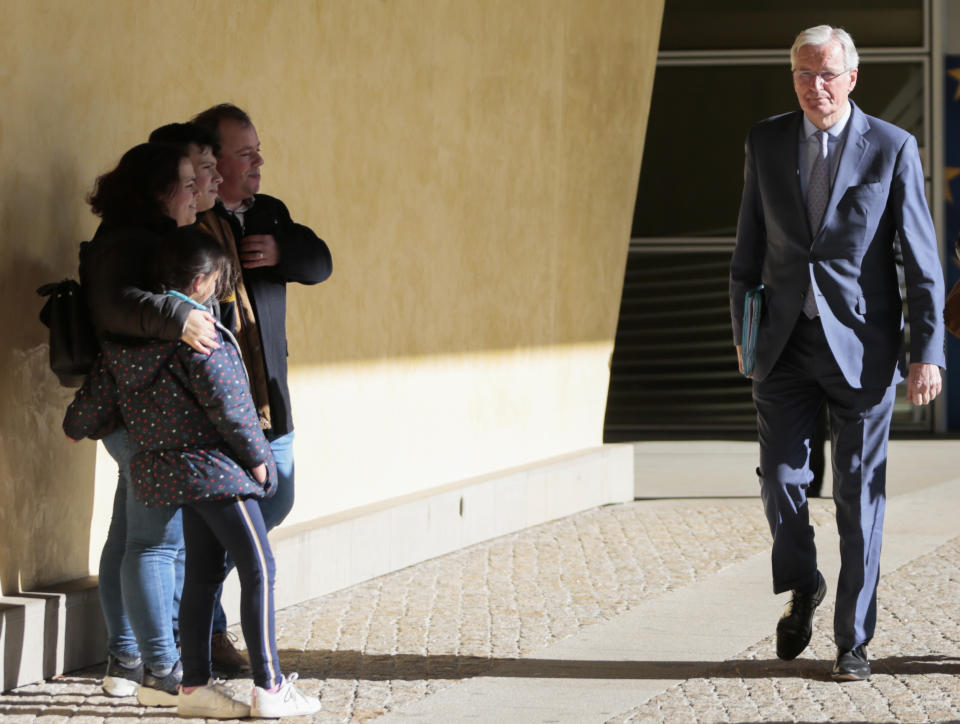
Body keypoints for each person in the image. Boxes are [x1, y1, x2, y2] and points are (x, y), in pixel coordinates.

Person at [729, 25, 945, 682]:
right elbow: (746, 254)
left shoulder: (891, 146)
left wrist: (926, 353)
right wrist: (745, 338)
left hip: (865, 351)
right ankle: (805, 581)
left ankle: (853, 641)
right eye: (802, 73)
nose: (814, 86)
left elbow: (921, 261)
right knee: (782, 484)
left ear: (852, 77)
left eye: (827, 74)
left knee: (859, 497)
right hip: (784, 350)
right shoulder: (766, 141)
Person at [65, 227, 322, 719]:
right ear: (203, 282)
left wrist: (76, 428)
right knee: (259, 567)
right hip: (218, 473)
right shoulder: (201, 334)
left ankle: (194, 688)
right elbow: (233, 408)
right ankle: (269, 688)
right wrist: (260, 460)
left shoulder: (126, 340)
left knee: (203, 577)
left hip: (169, 476)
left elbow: (88, 408)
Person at [191, 103, 333, 665]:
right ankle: (207, 630)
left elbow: (320, 262)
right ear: (214, 160)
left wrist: (281, 251)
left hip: (272, 392)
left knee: (280, 494)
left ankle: (198, 600)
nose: (258, 161)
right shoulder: (194, 223)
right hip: (221, 402)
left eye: (258, 150)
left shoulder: (268, 212)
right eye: (244, 152)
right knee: (217, 530)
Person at [81, 142, 220, 704]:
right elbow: (118, 308)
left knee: (129, 534)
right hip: (141, 415)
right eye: (186, 183)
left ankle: (125, 658)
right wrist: (183, 312)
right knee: (156, 543)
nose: (195, 194)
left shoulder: (137, 239)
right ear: (157, 191)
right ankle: (164, 673)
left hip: (136, 411)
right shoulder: (128, 244)